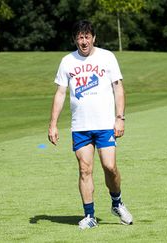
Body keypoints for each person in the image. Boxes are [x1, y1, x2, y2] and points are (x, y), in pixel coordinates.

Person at [48, 20, 133, 230]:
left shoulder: (107, 57)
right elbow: (60, 93)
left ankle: (117, 202)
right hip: (80, 126)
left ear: (94, 38)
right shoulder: (67, 61)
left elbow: (118, 88)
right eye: (79, 37)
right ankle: (90, 216)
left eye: (87, 37)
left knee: (110, 167)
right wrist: (53, 124)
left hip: (105, 124)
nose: (83, 41)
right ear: (75, 39)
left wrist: (120, 117)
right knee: (85, 169)